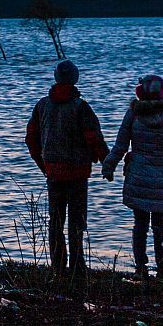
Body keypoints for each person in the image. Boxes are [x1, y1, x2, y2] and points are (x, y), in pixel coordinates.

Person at [25, 58, 108, 279]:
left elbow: (31, 139)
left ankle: (58, 267)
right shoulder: (81, 107)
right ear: (75, 79)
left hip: (53, 171)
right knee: (76, 221)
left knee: (56, 221)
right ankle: (78, 267)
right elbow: (94, 138)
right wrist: (106, 162)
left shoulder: (42, 105)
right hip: (78, 172)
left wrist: (42, 164)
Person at [103, 73, 163, 282]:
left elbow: (120, 146)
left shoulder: (133, 115)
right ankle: (162, 269)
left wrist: (109, 165)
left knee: (140, 225)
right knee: (161, 227)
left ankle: (141, 267)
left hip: (138, 178)